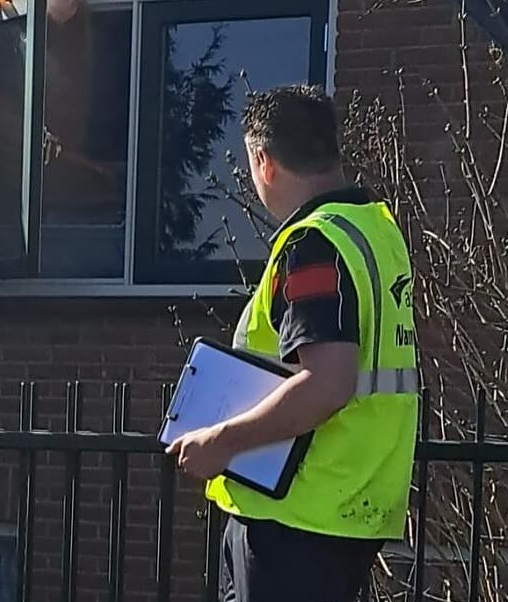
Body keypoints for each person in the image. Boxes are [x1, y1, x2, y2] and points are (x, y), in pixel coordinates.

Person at [167, 85, 419, 602]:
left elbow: (327, 383)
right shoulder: (376, 230)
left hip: (295, 514)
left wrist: (223, 441)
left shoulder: (313, 244)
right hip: (353, 506)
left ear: (263, 161)